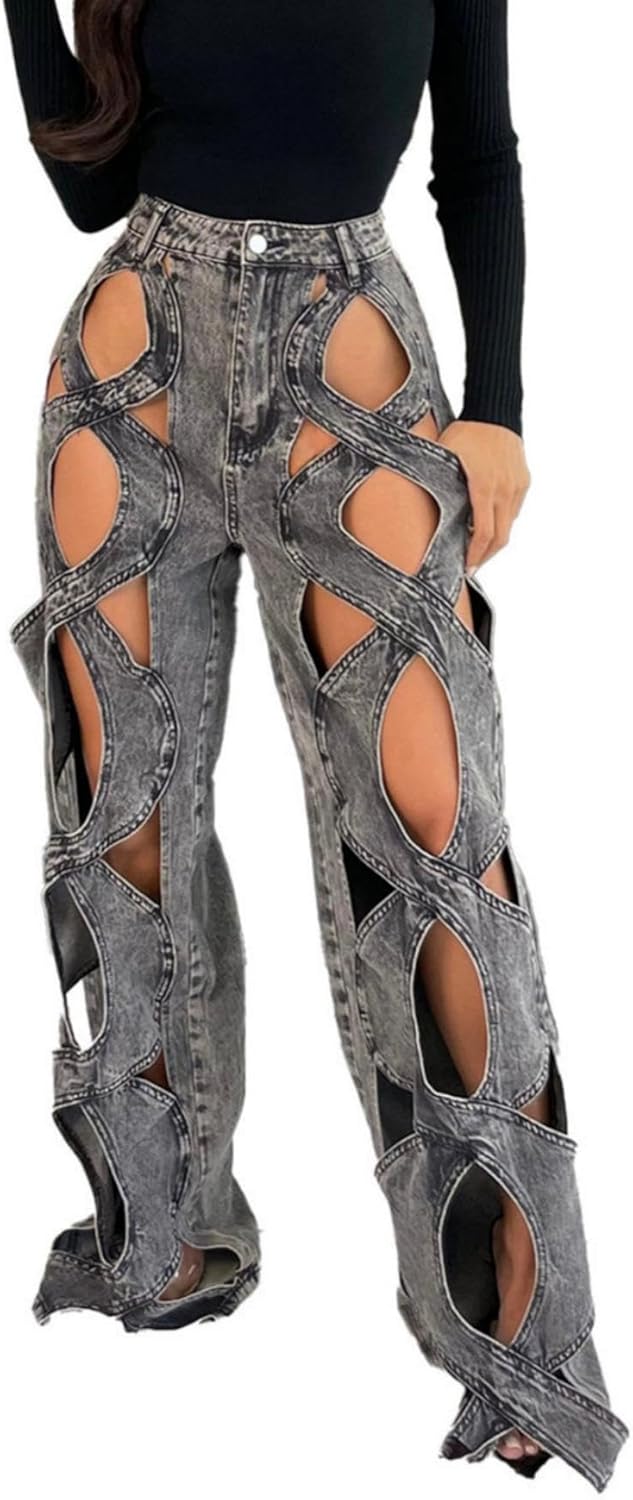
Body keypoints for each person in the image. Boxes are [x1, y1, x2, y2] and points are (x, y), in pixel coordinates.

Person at [3, 0, 628, 1486]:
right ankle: (159, 1240)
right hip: (129, 369)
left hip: (350, 383)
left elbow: (477, 155)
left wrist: (499, 408)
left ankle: (523, 1339)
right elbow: (93, 186)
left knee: (434, 836)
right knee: (121, 818)